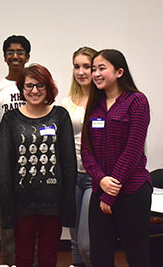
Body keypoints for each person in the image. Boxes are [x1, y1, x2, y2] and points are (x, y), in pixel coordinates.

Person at [0, 64, 76, 267]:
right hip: (21, 202)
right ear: (22, 89)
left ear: (48, 87)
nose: (34, 91)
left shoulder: (60, 116)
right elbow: (5, 166)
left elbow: (68, 162)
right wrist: (7, 208)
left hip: (53, 203)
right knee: (22, 257)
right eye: (29, 86)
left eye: (40, 85)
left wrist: (68, 205)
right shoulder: (10, 119)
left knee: (48, 257)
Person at [81, 49, 152, 267]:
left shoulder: (136, 101)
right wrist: (102, 181)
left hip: (132, 191)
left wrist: (110, 193)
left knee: (137, 255)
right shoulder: (94, 104)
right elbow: (86, 150)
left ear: (119, 72)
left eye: (102, 68)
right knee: (100, 257)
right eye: (94, 69)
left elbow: (133, 149)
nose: (96, 74)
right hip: (100, 189)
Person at [0, 35, 30, 266]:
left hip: (33, 170)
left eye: (20, 52)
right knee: (8, 226)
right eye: (11, 52)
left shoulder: (35, 87)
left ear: (28, 57)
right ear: (4, 56)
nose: (15, 56)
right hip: (4, 171)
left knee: (31, 224)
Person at [61, 46, 97, 267]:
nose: (81, 71)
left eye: (87, 66)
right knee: (74, 239)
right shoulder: (66, 104)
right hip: (71, 175)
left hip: (95, 177)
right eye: (77, 66)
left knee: (87, 241)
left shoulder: (105, 103)